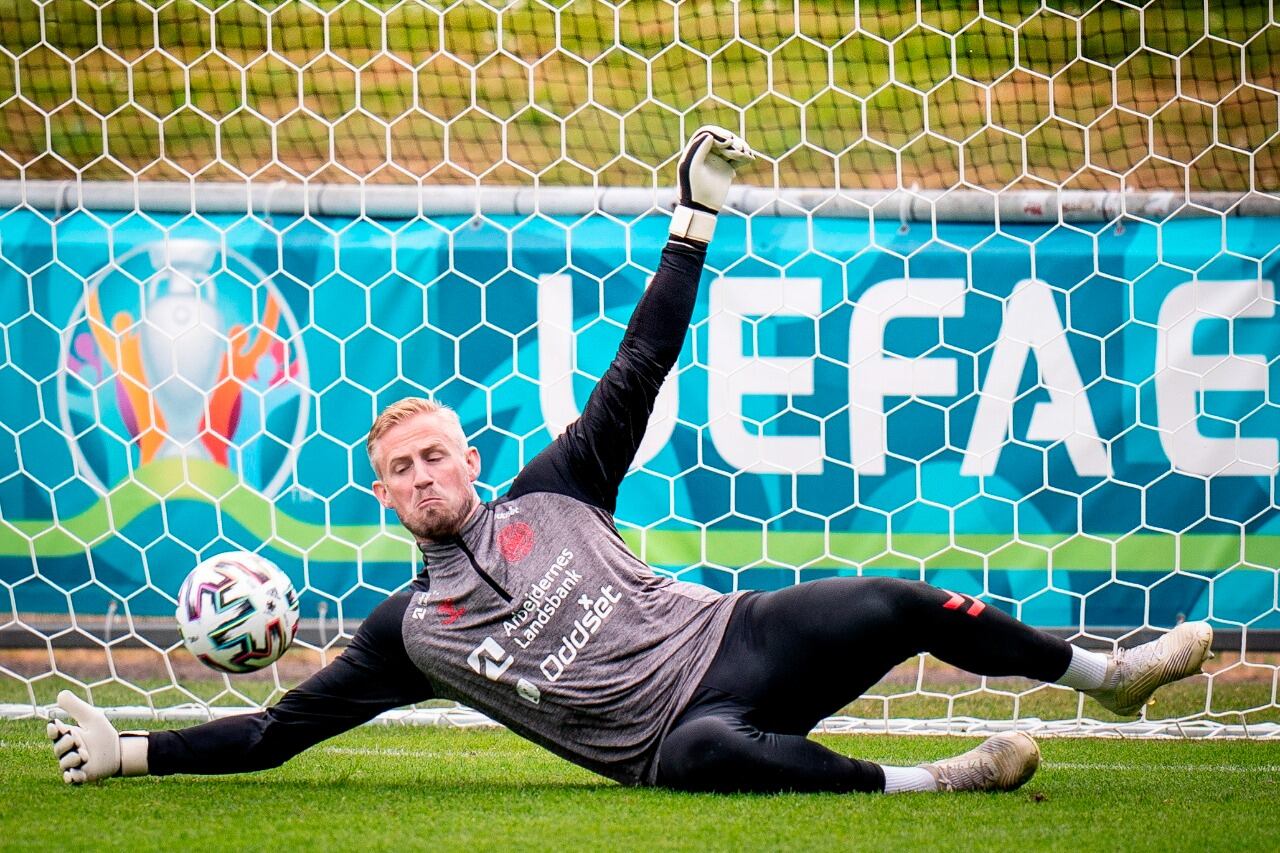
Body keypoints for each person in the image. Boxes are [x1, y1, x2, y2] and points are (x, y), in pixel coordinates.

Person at [48, 127, 1214, 794]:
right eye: (400, 468)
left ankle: (1104, 678)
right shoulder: (408, 634)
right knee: (708, 752)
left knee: (895, 596)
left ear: (468, 458)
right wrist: (131, 751)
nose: (422, 475)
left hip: (733, 637)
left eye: (435, 454)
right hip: (667, 738)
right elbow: (272, 733)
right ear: (382, 493)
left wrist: (691, 220)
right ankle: (942, 779)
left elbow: (638, 363)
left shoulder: (553, 490)